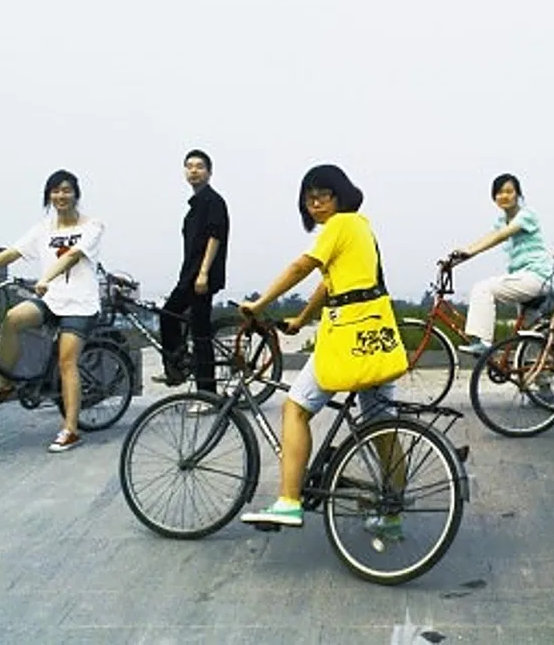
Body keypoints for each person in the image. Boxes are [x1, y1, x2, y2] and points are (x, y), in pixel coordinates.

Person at [238, 164, 402, 537]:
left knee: (295, 408)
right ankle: (393, 515)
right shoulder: (361, 227)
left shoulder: (339, 225)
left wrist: (260, 303)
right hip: (373, 336)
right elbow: (329, 285)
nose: (315, 204)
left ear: (339, 195)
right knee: (382, 427)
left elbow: (302, 267)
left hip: (346, 338)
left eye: (323, 195)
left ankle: (288, 501)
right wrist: (301, 319)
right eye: (309, 198)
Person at [0, 170, 105, 453]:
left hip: (81, 304)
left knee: (67, 362)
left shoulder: (92, 226)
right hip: (52, 300)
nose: (60, 196)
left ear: (76, 194)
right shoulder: (44, 228)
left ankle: (71, 430)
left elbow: (72, 256)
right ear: (48, 196)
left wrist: (45, 278)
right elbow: (13, 252)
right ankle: (4, 385)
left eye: (66, 190)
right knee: (11, 320)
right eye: (55, 191)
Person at [153, 149, 229, 394]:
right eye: (189, 166)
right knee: (172, 317)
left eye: (199, 166)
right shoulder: (195, 205)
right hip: (190, 274)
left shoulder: (213, 201)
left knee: (198, 333)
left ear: (209, 172)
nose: (194, 170)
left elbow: (215, 237)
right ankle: (178, 366)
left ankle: (205, 392)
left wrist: (204, 272)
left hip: (201, 276)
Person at [450, 173, 552, 356]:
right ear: (494, 197)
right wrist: (456, 259)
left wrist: (469, 251)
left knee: (483, 288)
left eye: (509, 191)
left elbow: (500, 236)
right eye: (499, 193)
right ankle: (551, 368)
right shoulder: (501, 221)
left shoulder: (527, 215)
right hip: (523, 278)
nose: (504, 196)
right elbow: (489, 237)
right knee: (532, 330)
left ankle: (484, 341)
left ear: (518, 194)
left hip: (536, 276)